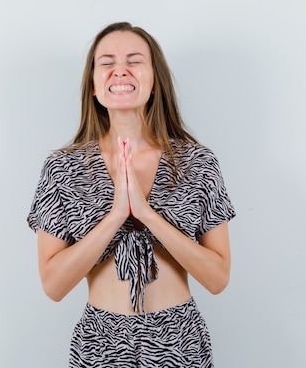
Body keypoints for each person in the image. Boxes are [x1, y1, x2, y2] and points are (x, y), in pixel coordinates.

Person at [27, 21, 236, 368]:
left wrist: (148, 214)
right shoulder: (62, 168)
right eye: (106, 62)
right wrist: (115, 217)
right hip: (101, 342)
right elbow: (54, 286)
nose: (120, 70)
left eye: (134, 60)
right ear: (93, 86)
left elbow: (218, 279)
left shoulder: (197, 163)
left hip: (178, 338)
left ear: (155, 81)